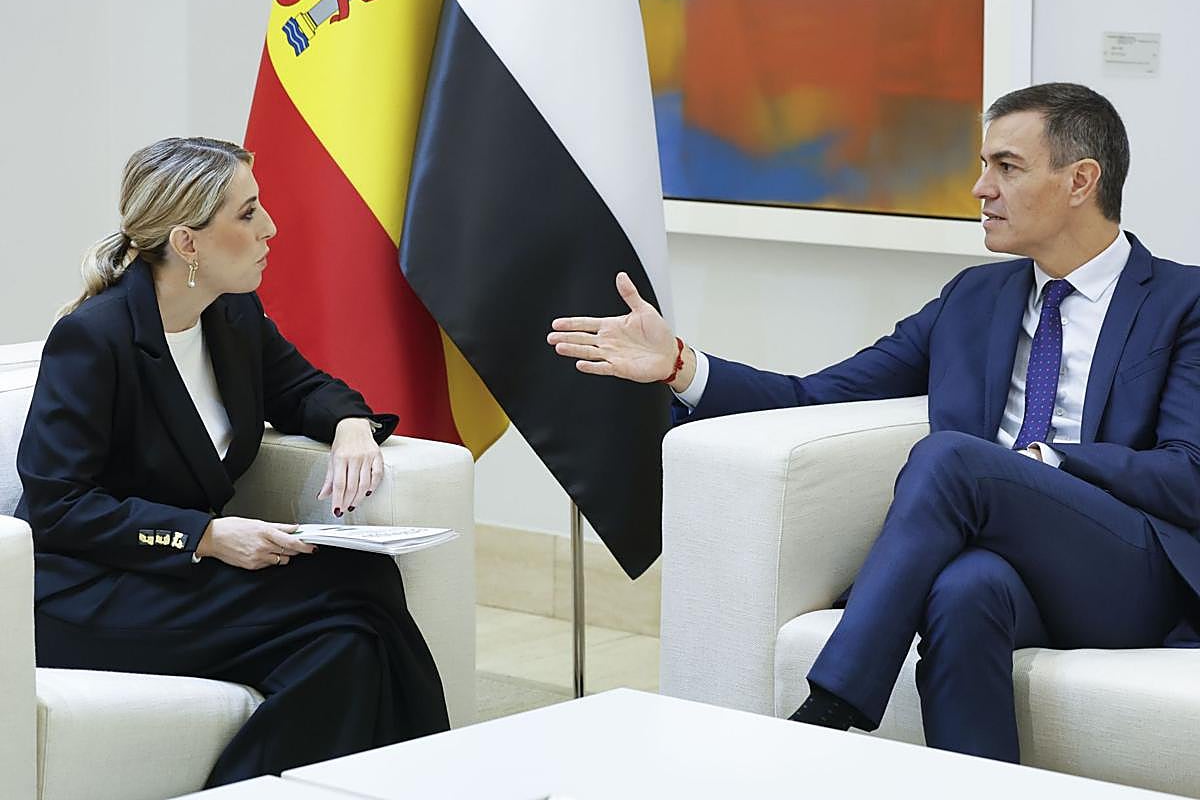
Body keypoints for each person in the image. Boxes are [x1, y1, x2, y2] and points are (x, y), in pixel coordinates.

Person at [547, 83, 1200, 762]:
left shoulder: (1184, 303)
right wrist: (681, 365)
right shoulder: (972, 300)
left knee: (952, 458)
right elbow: (816, 395)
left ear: (1080, 181)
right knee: (961, 592)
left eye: (1006, 167)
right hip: (1004, 564)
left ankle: (830, 706)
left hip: (1132, 570)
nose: (980, 188)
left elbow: (1190, 474)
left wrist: (1046, 462)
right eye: (983, 166)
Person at [17, 137, 450, 787]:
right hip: (83, 591)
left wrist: (353, 426)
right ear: (187, 243)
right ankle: (445, 779)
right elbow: (59, 507)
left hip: (170, 580)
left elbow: (303, 389)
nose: (270, 229)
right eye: (247, 213)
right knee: (359, 596)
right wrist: (207, 537)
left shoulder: (232, 315)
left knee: (349, 643)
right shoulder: (95, 338)